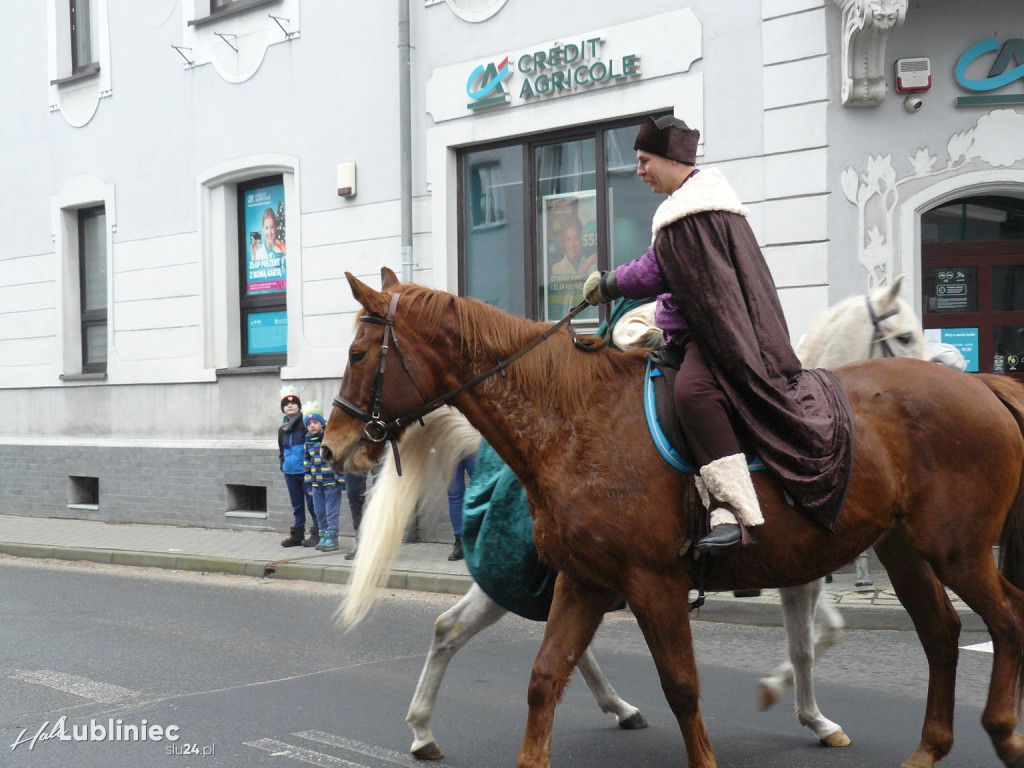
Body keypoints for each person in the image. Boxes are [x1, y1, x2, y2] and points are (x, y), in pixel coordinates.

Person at [583, 115, 852, 553]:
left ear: (672, 160)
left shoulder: (692, 212)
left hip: (717, 339)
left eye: (645, 160)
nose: (639, 170)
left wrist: (608, 283)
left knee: (694, 394)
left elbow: (658, 270)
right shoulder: (694, 206)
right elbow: (684, 279)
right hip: (694, 332)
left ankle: (731, 511)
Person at [278, 385, 317, 547]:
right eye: (286, 404)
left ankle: (317, 532)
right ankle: (298, 534)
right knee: (297, 505)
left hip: (306, 472)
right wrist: (283, 464)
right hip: (290, 472)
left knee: (312, 503)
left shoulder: (305, 424)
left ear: (299, 406)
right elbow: (282, 448)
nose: (290, 405)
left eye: (294, 402)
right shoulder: (282, 429)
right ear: (283, 409)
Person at [302, 401, 342, 552]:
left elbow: (337, 460)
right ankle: (324, 537)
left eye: (315, 422)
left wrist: (340, 481)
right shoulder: (308, 444)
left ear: (322, 423)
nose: (312, 425)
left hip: (331, 483)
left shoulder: (328, 440)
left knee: (331, 512)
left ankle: (333, 539)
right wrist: (308, 484)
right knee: (320, 512)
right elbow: (307, 465)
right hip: (316, 484)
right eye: (309, 423)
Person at [446, 452, 477, 561]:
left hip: (472, 440)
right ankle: (460, 542)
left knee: (483, 488)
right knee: (454, 494)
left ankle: (485, 539)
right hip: (449, 446)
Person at [343, 470, 368, 560]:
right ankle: (360, 541)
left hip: (381, 456)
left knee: (382, 493)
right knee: (353, 492)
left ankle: (381, 544)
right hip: (354, 456)